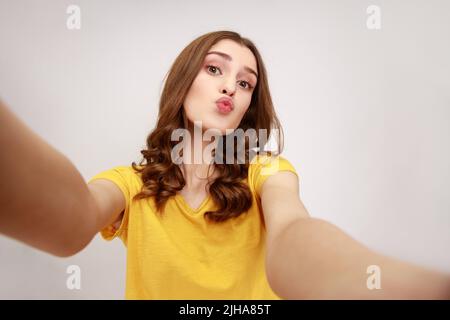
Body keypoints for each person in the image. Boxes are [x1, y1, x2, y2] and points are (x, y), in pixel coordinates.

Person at [0, 30, 449, 300]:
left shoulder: (268, 174)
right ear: (185, 80)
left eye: (245, 82)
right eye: (215, 69)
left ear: (247, 108)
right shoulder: (130, 184)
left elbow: (293, 232)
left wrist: (378, 282)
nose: (230, 87)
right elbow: (72, 219)